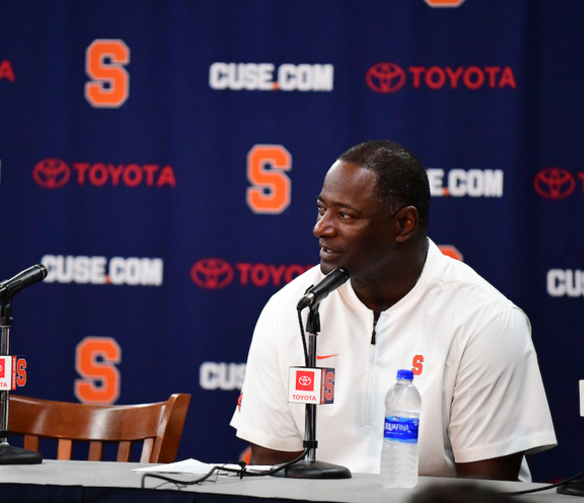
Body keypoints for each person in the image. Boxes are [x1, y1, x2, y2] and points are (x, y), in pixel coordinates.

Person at [230, 140, 557, 481]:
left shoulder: (486, 320)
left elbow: (484, 490)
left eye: (345, 215)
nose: (321, 228)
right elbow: (270, 470)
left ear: (404, 224)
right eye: (321, 209)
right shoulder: (291, 308)